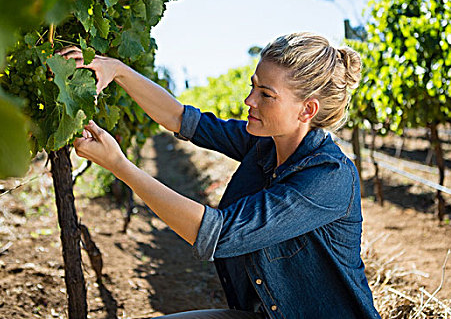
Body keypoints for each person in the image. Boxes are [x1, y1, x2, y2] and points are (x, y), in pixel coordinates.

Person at [58, 32, 381, 319]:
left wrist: (120, 165)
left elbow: (219, 234)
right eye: (253, 87)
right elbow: (182, 119)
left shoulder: (328, 176)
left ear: (307, 110)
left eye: (266, 95)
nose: (249, 101)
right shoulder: (266, 143)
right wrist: (119, 71)